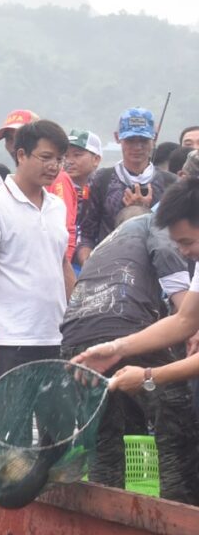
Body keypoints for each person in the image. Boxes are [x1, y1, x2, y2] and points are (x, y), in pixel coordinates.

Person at [63, 204, 197, 505]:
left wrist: (141, 369)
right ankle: (181, 513)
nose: (183, 249)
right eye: (181, 242)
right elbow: (184, 314)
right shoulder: (156, 225)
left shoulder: (104, 245)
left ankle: (107, 513)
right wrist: (124, 352)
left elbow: (187, 319)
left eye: (186, 243)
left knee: (103, 437)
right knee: (175, 416)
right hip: (124, 324)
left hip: (76, 337)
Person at [0, 120, 74, 389]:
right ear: (21, 155)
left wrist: (76, 318)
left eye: (59, 160)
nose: (54, 166)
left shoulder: (57, 207)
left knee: (59, 427)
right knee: (7, 427)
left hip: (54, 336)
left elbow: (62, 264)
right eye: (46, 157)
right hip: (8, 339)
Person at [77, 107, 179, 264]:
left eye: (143, 140)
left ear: (154, 138)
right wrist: (89, 267)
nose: (137, 147)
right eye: (130, 140)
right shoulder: (100, 179)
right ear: (117, 138)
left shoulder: (171, 183)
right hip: (109, 267)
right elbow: (86, 235)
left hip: (159, 270)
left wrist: (144, 212)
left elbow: (179, 233)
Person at [0, 109, 77, 262]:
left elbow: (64, 232)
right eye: (9, 139)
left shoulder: (57, 179)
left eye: (19, 136)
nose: (13, 145)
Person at [64, 128, 103, 203]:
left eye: (77, 155)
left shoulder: (107, 188)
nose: (68, 161)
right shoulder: (54, 188)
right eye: (65, 155)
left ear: (96, 159)